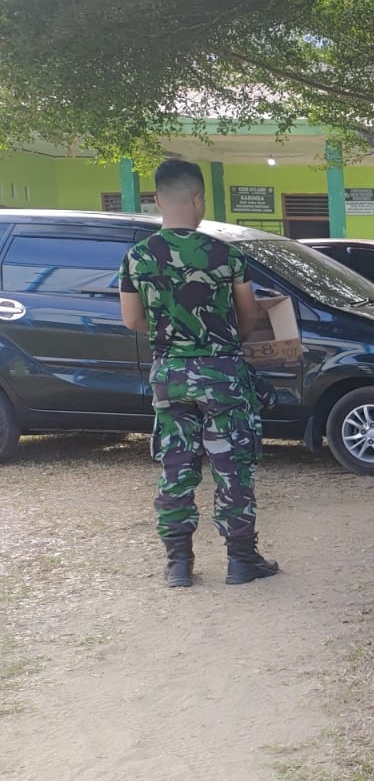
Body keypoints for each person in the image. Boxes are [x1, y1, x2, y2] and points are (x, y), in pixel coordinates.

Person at [118, 159, 280, 588]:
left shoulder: (137, 257)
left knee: (176, 465)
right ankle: (241, 561)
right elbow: (247, 316)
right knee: (233, 466)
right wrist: (222, 340)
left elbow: (131, 319)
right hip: (222, 373)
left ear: (157, 199)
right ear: (199, 199)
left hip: (169, 374)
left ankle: (178, 564)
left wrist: (173, 335)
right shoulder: (226, 255)